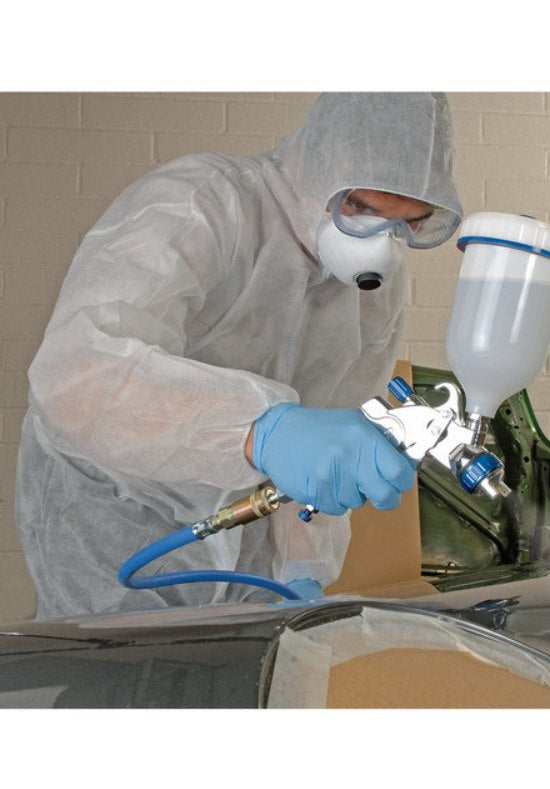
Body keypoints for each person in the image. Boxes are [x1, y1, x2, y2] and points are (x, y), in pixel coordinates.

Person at [15, 93, 463, 618]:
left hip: (250, 543)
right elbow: (78, 376)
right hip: (117, 515)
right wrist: (258, 432)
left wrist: (303, 565)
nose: (379, 243)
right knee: (115, 665)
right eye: (363, 208)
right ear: (320, 169)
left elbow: (327, 451)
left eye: (405, 224)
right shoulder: (201, 203)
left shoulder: (374, 289)